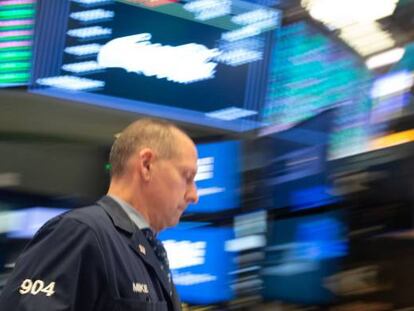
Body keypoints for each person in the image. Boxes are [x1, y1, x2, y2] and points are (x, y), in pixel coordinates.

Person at [0, 118, 199, 311]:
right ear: (147, 165)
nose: (194, 195)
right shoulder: (80, 232)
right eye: (187, 177)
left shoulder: (149, 251)